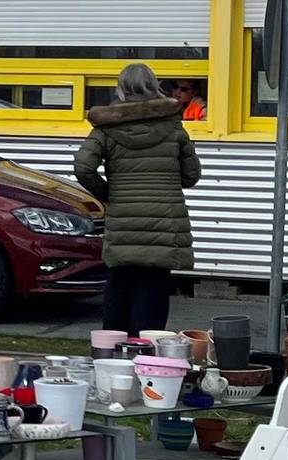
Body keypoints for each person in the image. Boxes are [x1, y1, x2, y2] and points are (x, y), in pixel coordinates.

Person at [76, 63, 202, 332]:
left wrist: (109, 193)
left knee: (118, 287)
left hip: (123, 223)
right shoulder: (173, 127)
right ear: (155, 86)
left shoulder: (106, 128)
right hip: (164, 226)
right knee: (153, 291)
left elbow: (83, 168)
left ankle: (111, 360)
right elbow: (191, 176)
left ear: (120, 89)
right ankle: (146, 363)